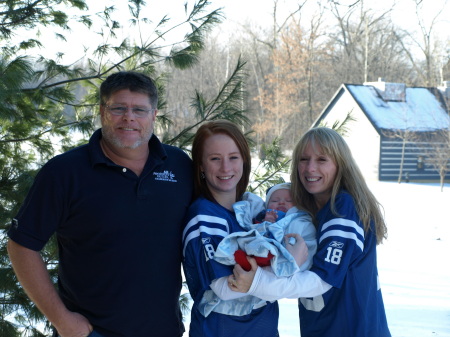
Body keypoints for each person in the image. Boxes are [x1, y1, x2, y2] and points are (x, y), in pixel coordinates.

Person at [7, 71, 193, 337]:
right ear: (102, 111)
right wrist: (62, 320)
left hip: (164, 330)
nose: (129, 117)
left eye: (139, 109)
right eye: (119, 108)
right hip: (92, 332)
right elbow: (21, 245)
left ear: (154, 114)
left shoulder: (179, 166)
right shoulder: (65, 173)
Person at [229, 127, 391, 337]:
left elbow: (322, 279)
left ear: (340, 165)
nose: (310, 168)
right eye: (303, 159)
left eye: (322, 159)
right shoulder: (308, 211)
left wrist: (258, 283)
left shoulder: (342, 207)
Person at [181, 120, 308, 337]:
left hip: (262, 327)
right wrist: (289, 263)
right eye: (214, 159)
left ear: (244, 160)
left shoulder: (250, 211)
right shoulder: (205, 216)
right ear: (201, 165)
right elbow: (224, 289)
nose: (225, 168)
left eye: (233, 157)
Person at [214, 182, 317, 276]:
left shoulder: (298, 220)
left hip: (278, 251)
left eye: (289, 200)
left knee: (267, 254)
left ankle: (259, 264)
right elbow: (253, 230)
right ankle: (247, 262)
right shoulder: (262, 216)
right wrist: (265, 222)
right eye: (275, 200)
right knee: (241, 252)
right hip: (259, 246)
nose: (281, 203)